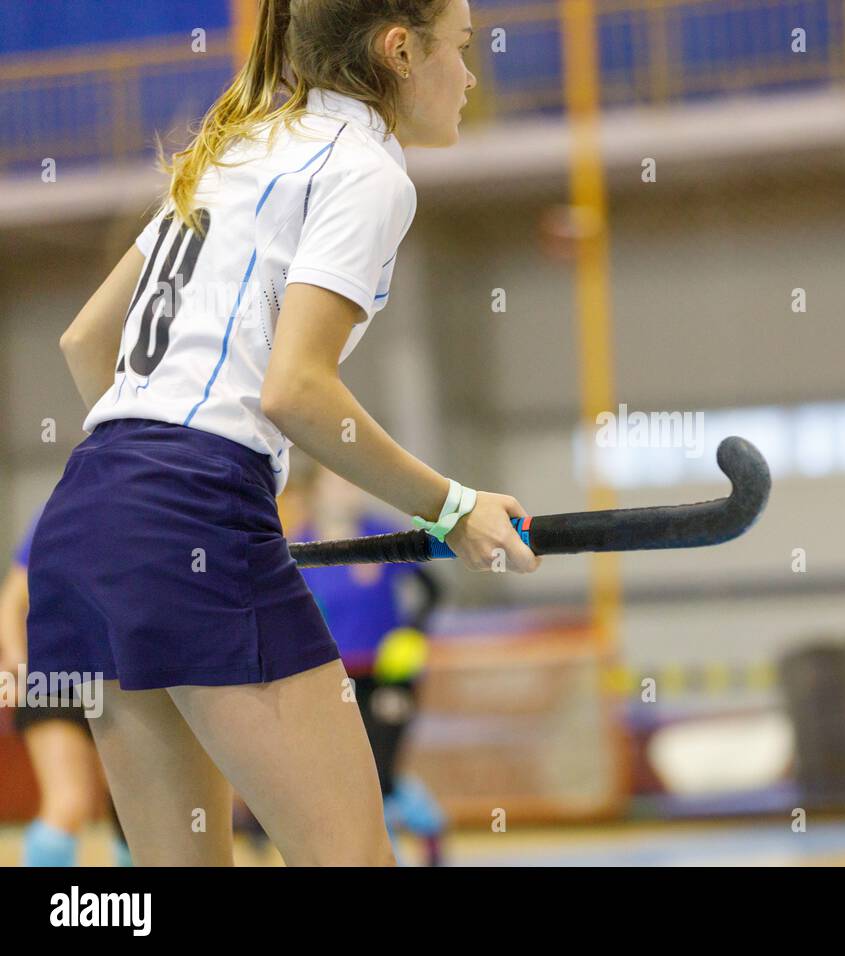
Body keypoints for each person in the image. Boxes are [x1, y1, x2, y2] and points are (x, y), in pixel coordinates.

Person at [26, 0, 540, 867]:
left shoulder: (235, 148)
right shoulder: (367, 170)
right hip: (191, 509)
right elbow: (296, 391)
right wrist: (453, 507)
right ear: (400, 50)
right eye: (461, 48)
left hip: (82, 518)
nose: (472, 74)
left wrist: (146, 503)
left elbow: (87, 341)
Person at [281, 460, 448, 865]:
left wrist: (412, 634)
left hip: (388, 675)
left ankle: (422, 828)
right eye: (336, 484)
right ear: (316, 492)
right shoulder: (299, 548)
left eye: (350, 483)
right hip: (336, 679)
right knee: (351, 779)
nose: (347, 491)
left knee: (381, 771)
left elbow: (432, 589)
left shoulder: (381, 535)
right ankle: (385, 843)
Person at [0, 508, 130, 867]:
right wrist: (20, 666)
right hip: (56, 675)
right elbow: (11, 601)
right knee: (70, 801)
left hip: (121, 678)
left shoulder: (140, 511)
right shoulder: (63, 511)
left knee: (131, 812)